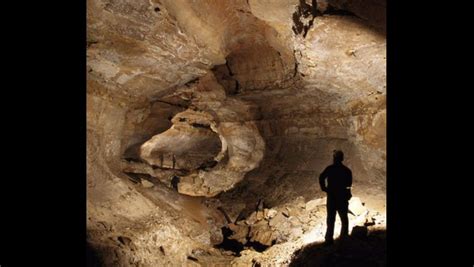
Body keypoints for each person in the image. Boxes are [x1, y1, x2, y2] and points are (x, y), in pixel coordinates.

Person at [319, 150, 353, 244]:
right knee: (344, 218)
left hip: (332, 197)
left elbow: (321, 177)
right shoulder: (346, 171)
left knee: (330, 219)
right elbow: (349, 184)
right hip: (342, 197)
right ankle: (344, 238)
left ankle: (329, 239)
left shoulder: (330, 169)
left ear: (334, 158)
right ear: (342, 158)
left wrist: (324, 188)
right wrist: (348, 193)